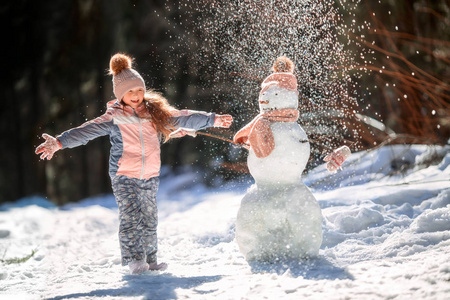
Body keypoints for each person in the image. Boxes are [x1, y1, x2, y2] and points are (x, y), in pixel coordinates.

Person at [35, 53, 233, 274]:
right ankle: (134, 259)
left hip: (149, 175)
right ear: (120, 95)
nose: (136, 95)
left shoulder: (154, 113)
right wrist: (60, 142)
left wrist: (212, 118)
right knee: (131, 217)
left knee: (149, 217)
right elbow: (86, 131)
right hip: (124, 175)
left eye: (139, 90)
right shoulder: (114, 117)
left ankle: (151, 259)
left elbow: (183, 117)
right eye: (130, 91)